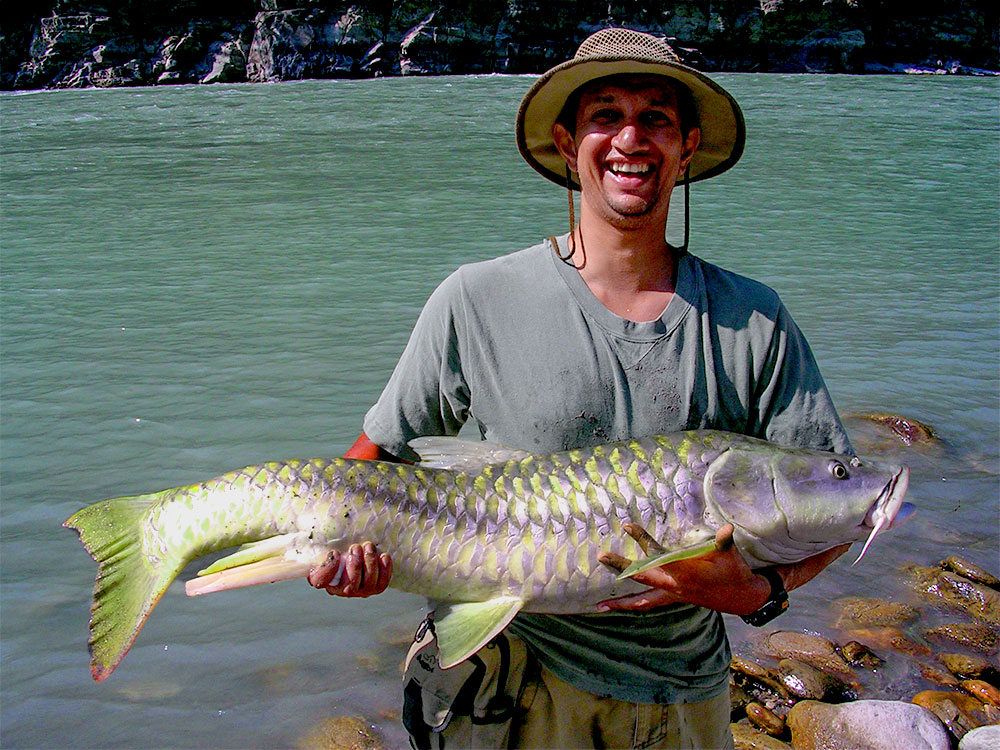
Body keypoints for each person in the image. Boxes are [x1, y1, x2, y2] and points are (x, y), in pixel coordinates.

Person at [308, 27, 853, 749]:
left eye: (656, 118)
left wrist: (757, 596)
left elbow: (838, 499)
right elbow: (369, 463)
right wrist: (341, 553)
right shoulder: (474, 298)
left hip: (678, 694)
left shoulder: (754, 320)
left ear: (686, 146)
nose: (631, 139)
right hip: (503, 686)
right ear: (569, 144)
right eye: (607, 117)